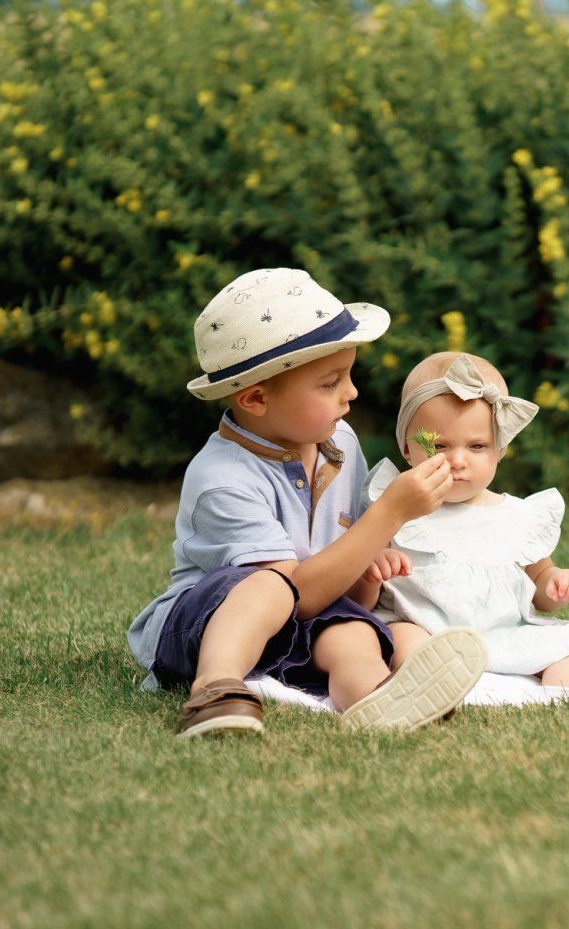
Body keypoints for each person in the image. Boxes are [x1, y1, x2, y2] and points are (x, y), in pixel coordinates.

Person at [126, 268, 486, 739]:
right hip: (201, 629)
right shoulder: (223, 479)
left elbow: (333, 581)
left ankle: (380, 697)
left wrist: (369, 568)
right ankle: (214, 690)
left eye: (349, 374)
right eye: (331, 381)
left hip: (302, 621)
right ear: (255, 398)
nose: (351, 392)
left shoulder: (337, 441)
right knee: (272, 586)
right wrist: (389, 513)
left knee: (354, 631)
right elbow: (295, 592)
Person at [363, 351, 569, 703]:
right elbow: (367, 563)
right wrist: (378, 562)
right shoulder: (398, 506)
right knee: (403, 638)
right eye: (438, 445)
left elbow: (540, 586)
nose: (457, 460)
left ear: (500, 450)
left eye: (477, 446)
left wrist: (555, 582)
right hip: (426, 628)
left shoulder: (518, 515)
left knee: (568, 648)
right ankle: (431, 690)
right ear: (407, 447)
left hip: (505, 632)